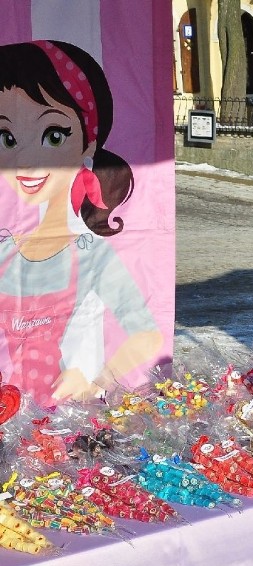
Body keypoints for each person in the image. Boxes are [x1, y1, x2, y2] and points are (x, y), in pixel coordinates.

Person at [0, 40, 162, 406]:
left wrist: (97, 378)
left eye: (53, 136)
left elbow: (146, 335)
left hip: (67, 427)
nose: (26, 162)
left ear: (88, 144)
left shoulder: (90, 254)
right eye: (6, 138)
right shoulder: (4, 250)